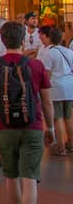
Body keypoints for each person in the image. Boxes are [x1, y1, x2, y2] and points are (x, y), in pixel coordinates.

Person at [0, 21, 54, 204]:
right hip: (33, 124)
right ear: (23, 40)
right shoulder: (36, 65)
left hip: (4, 126)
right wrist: (51, 127)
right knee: (29, 178)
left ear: (3, 41)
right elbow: (47, 101)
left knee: (11, 177)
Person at [37, 26, 73, 155]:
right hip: (69, 86)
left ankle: (61, 147)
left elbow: (46, 73)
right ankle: (71, 143)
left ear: (50, 38)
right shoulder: (68, 51)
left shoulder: (49, 52)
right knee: (68, 117)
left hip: (57, 86)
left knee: (57, 118)